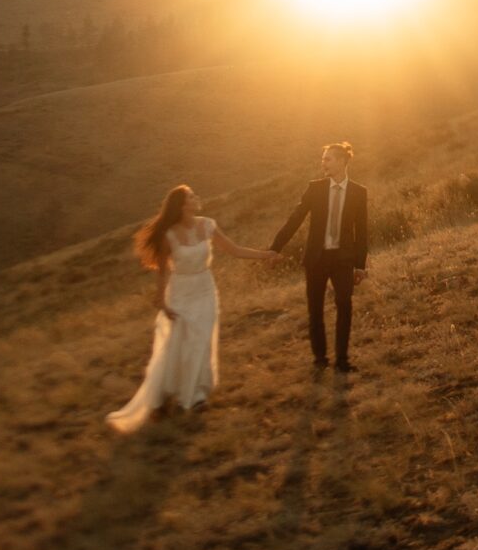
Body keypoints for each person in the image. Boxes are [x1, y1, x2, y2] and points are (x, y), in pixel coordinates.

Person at [106, 183, 276, 431]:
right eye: (192, 196)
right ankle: (163, 394)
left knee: (202, 339)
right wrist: (161, 300)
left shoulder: (207, 224)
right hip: (180, 292)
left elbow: (235, 250)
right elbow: (163, 270)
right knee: (177, 343)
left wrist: (266, 254)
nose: (197, 198)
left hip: (205, 289)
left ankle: (196, 397)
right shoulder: (169, 235)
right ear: (182, 205)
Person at [269, 142, 369, 373]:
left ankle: (342, 360)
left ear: (343, 161)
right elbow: (295, 219)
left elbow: (361, 232)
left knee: (345, 305)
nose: (323, 163)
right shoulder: (315, 188)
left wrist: (360, 266)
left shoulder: (358, 192)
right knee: (315, 309)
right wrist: (276, 247)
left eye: (328, 159)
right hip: (316, 259)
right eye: (323, 159)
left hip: (343, 259)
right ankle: (320, 359)